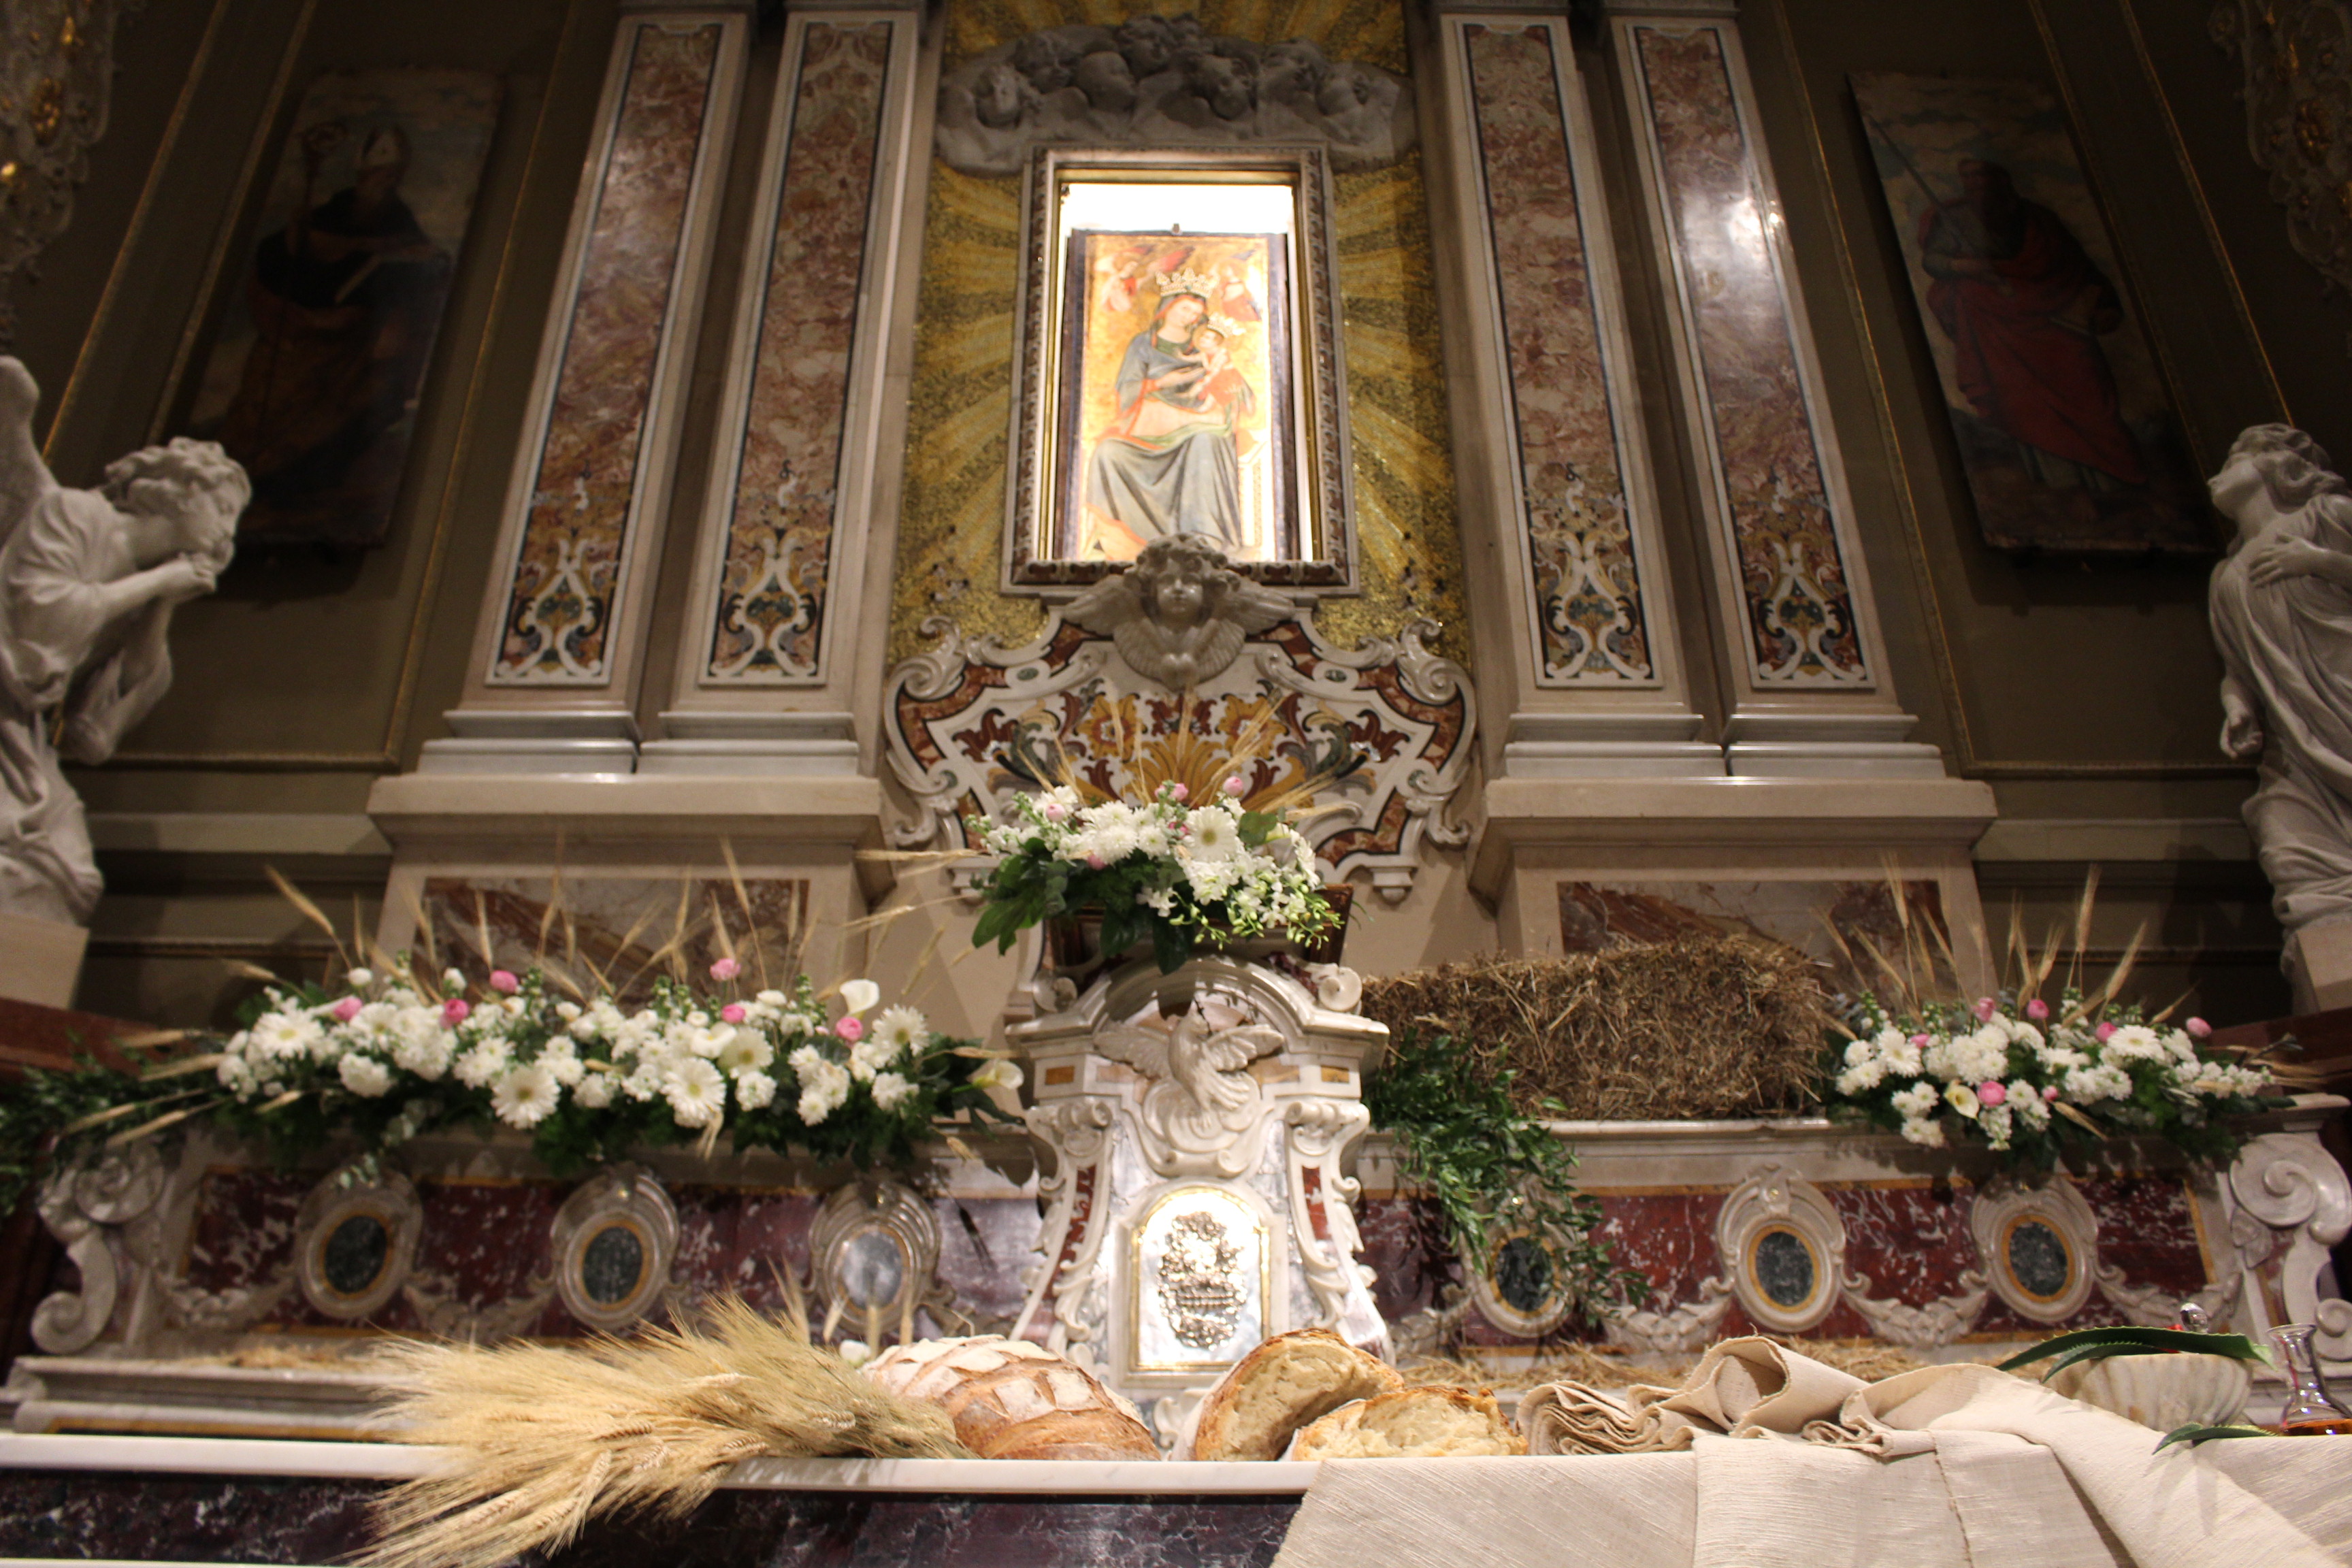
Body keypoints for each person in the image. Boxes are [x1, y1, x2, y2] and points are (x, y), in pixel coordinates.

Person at [0, 400, 246, 923]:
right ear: (184, 491)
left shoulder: (150, 583)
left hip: (21, 730)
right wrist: (156, 583)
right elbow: (36, 624)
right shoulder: (73, 514)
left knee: (74, 875)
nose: (229, 531)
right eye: (223, 509)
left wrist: (163, 604)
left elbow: (94, 729)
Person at [212, 122, 445, 544]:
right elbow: (285, 258)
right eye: (379, 171)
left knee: (347, 408)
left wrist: (403, 265)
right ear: (362, 171)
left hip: (353, 341)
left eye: (393, 173)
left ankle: (300, 490)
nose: (385, 180)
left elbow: (421, 265)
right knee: (270, 405)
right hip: (303, 333)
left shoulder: (398, 219)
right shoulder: (332, 212)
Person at [2205, 425, 2352, 972]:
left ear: (2275, 462)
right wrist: (2237, 707)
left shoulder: (2329, 516)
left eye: (2231, 460)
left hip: (2345, 694)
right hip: (2295, 737)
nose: (2215, 476)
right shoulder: (2226, 576)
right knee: (2285, 839)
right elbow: (2236, 669)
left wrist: (2319, 562)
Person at [1918, 159, 2144, 493]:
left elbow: (2078, 265)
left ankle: (2115, 481)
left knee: (2091, 393)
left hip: (2056, 319)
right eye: (1969, 180)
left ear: (2002, 182)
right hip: (1999, 327)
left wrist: (2105, 304)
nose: (1977, 186)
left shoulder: (2040, 222)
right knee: (2027, 407)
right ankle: (2068, 487)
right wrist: (1964, 266)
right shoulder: (1955, 219)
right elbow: (1934, 260)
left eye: (1983, 178)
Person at [1082, 285, 1251, 558]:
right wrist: (1161, 383)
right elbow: (1127, 389)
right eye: (1184, 308)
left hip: (1196, 424)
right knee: (1107, 451)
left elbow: (1233, 384)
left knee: (1206, 441)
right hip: (1151, 427)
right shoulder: (1143, 344)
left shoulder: (1203, 345)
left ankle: (1203, 538)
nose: (1188, 317)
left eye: (1195, 313)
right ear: (1167, 307)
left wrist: (1227, 388)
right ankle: (1121, 540)